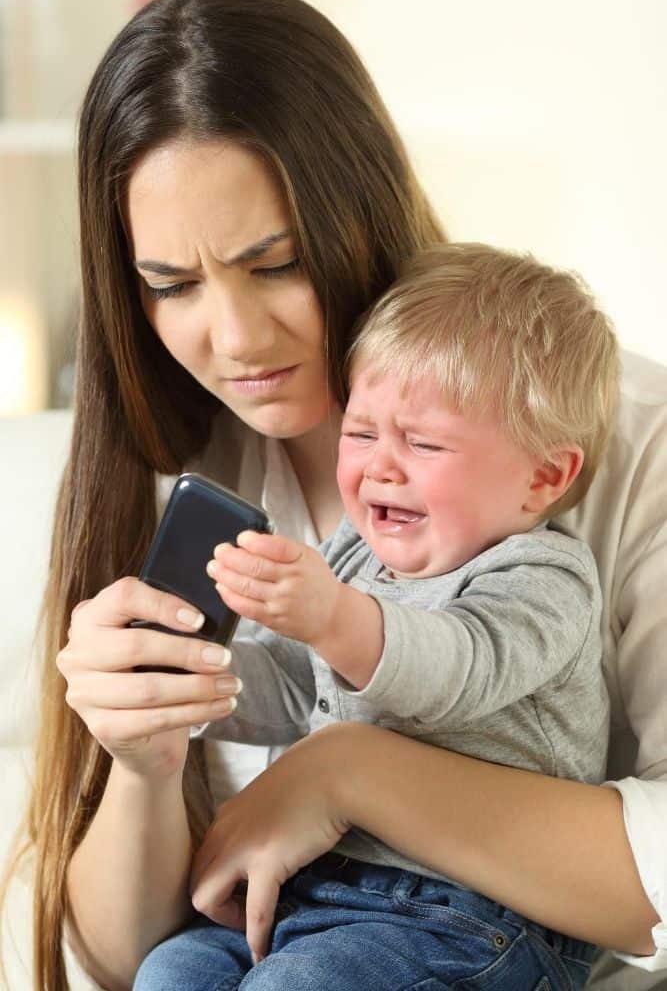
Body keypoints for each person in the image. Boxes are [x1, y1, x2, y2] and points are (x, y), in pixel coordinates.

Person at [1, 0, 665, 989]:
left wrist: (348, 773)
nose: (232, 340)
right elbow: (112, 959)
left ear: (358, 209)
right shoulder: (174, 470)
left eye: (276, 263)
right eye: (171, 284)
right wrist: (144, 751)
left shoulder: (613, 432)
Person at [132, 241, 616, 989]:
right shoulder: (357, 555)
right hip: (320, 894)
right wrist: (196, 675)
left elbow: (457, 668)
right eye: (360, 433)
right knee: (174, 970)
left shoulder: (543, 576)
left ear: (541, 477)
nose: (379, 465)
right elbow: (303, 687)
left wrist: (331, 615)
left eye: (422, 442)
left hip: (476, 917)